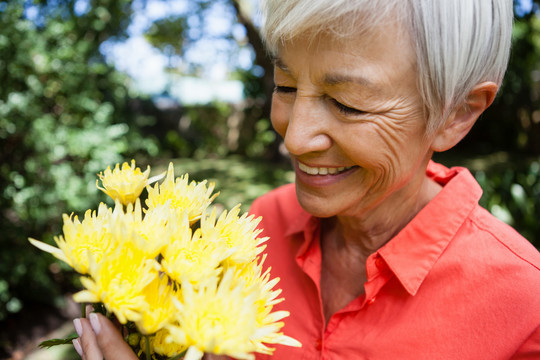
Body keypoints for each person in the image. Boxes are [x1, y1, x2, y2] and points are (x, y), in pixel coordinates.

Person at [73, 0, 540, 359]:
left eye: (348, 104)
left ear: (456, 113)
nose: (294, 139)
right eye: (286, 86)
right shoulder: (256, 229)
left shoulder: (525, 308)